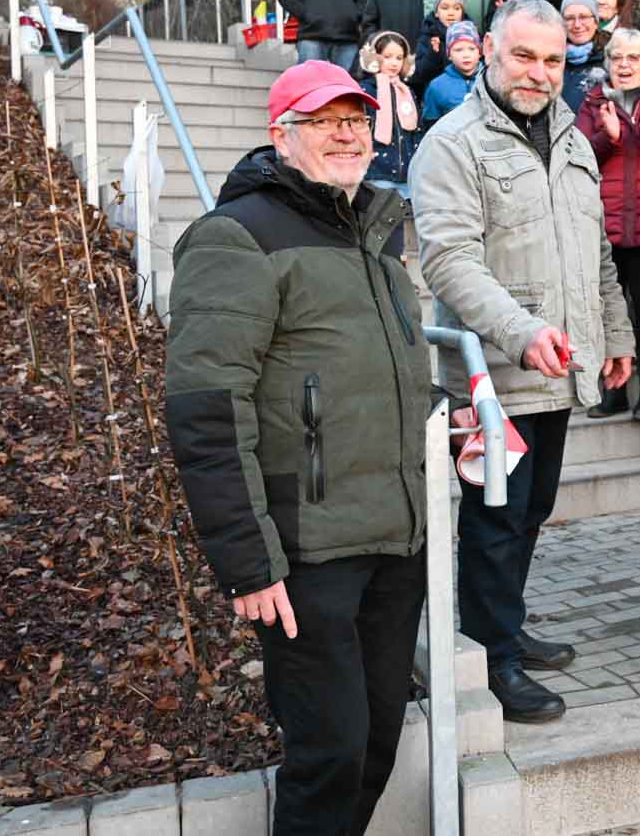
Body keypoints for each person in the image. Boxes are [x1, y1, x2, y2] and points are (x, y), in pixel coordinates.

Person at [165, 60, 431, 836]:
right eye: (324, 120)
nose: (348, 131)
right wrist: (248, 560)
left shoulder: (377, 235)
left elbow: (369, 375)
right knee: (329, 750)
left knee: (378, 738)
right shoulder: (237, 236)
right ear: (280, 136)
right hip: (306, 548)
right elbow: (206, 408)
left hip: (393, 534)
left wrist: (442, 417)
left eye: (355, 116)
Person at [409, 0, 636, 723]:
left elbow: (596, 251)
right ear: (490, 52)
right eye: (522, 56)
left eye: (550, 59)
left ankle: (501, 620)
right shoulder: (452, 142)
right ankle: (492, 654)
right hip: (495, 376)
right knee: (495, 517)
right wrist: (520, 330)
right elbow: (449, 262)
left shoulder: (571, 137)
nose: (538, 72)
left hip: (562, 368)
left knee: (531, 507)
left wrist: (618, 336)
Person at [575, 27, 640, 421]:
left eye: (633, 58)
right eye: (617, 57)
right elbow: (579, 158)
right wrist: (610, 137)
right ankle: (612, 392)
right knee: (605, 315)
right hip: (606, 230)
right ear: (608, 62)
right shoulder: (592, 103)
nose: (624, 65)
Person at [357, 31, 423, 190]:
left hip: (407, 173)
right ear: (374, 57)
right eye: (387, 57)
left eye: (399, 58)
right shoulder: (366, 90)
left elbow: (417, 129)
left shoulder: (407, 92)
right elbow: (359, 128)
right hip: (376, 172)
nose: (394, 63)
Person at [411, 0, 467, 96]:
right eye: (445, 8)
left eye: (456, 8)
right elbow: (418, 74)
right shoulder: (428, 36)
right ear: (436, 12)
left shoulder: (470, 35)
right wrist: (433, 55)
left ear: (462, 12)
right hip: (437, 97)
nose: (451, 13)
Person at [421, 20, 482, 123]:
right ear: (449, 55)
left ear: (480, 52)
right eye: (459, 50)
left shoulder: (492, 80)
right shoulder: (437, 86)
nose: (466, 54)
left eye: (471, 49)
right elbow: (430, 125)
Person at [559, 0, 606, 112]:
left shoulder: (610, 62)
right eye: (569, 18)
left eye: (583, 17)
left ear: (596, 22)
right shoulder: (551, 59)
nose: (577, 25)